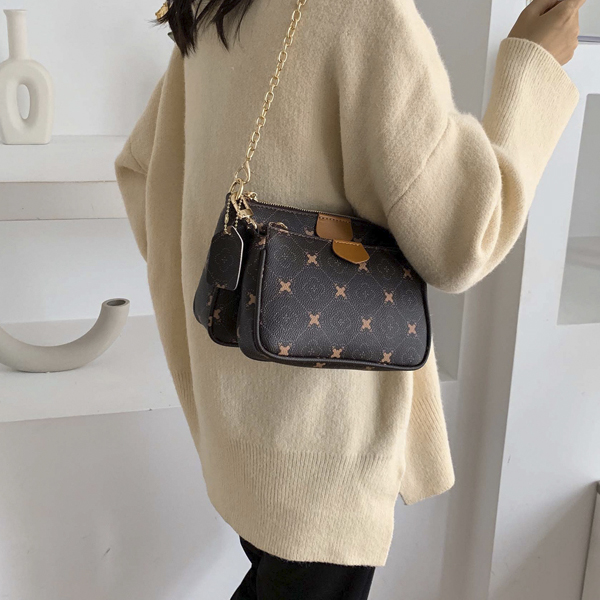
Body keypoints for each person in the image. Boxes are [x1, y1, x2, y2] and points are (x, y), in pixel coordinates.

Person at [115, 0, 584, 597]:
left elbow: (143, 169)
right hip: (321, 437)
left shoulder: (214, 9)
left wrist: (220, 291)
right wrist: (535, 67)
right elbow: (462, 237)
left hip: (239, 417)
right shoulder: (363, 12)